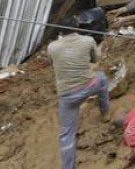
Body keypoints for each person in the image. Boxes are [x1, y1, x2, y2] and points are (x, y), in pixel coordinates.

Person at [48, 20, 110, 169]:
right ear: (77, 28)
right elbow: (95, 59)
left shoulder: (52, 47)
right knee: (102, 78)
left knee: (66, 136)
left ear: (60, 33)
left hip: (67, 97)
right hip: (89, 86)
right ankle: (105, 112)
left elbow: (53, 61)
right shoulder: (88, 40)